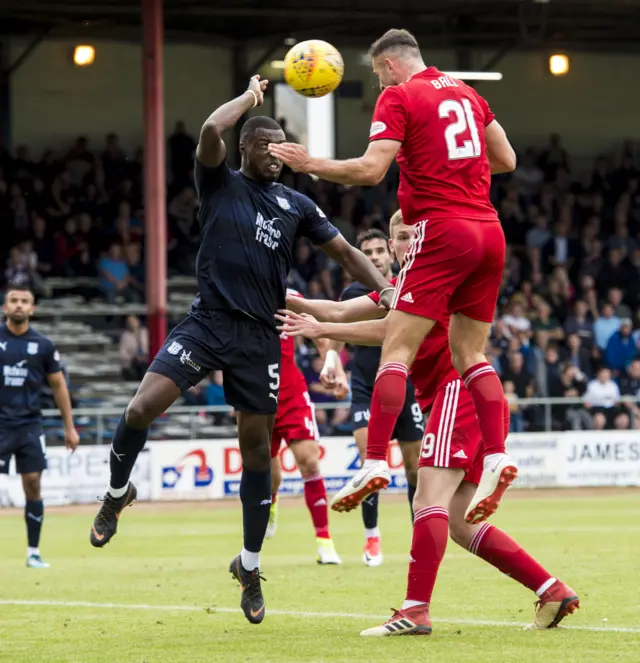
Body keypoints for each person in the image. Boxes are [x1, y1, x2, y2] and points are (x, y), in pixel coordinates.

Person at [88, 75, 391, 626]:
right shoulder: (220, 183)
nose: (277, 154)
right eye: (267, 145)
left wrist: (386, 290)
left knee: (257, 453)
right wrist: (250, 101)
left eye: (282, 147)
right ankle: (116, 493)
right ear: (246, 147)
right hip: (208, 322)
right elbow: (209, 128)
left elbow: (346, 252)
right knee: (138, 410)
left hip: (259, 337)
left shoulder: (296, 203)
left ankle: (249, 567)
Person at [278, 212, 579, 636]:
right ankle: (552, 591)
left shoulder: (433, 278)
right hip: (464, 400)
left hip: (456, 394)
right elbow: (343, 307)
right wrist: (287, 299)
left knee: (427, 500)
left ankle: (415, 610)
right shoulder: (404, 285)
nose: (401, 246)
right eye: (397, 237)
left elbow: (385, 329)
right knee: (460, 522)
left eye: (406, 237)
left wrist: (322, 328)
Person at [269, 28, 518, 525]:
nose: (381, 85)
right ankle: (497, 454)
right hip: (489, 230)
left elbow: (369, 170)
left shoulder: (401, 96)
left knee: (396, 349)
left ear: (386, 67)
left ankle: (375, 459)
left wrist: (308, 162)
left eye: (379, 75)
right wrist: (451, 165)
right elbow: (506, 160)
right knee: (471, 353)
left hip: (443, 229)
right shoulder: (468, 93)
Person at [319, 228, 424, 566]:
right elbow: (337, 331)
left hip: (406, 384)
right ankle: (372, 539)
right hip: (366, 386)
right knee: (370, 464)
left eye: (380, 250)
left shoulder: (407, 285)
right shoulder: (353, 292)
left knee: (413, 469)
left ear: (391, 250)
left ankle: (417, 543)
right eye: (368, 252)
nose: (376, 256)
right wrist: (332, 360)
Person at [0, 283, 79, 568]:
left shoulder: (43, 345)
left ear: (32, 308)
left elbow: (58, 386)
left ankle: (33, 552)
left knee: (33, 484)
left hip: (29, 425)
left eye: (24, 301)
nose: (19, 305)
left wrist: (69, 427)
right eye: (13, 300)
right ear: (4, 307)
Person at [266, 289, 342, 566]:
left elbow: (321, 334)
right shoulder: (238, 296)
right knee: (268, 473)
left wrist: (332, 365)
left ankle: (324, 541)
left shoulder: (289, 298)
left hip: (291, 395)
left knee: (309, 462)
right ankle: (271, 500)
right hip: (255, 397)